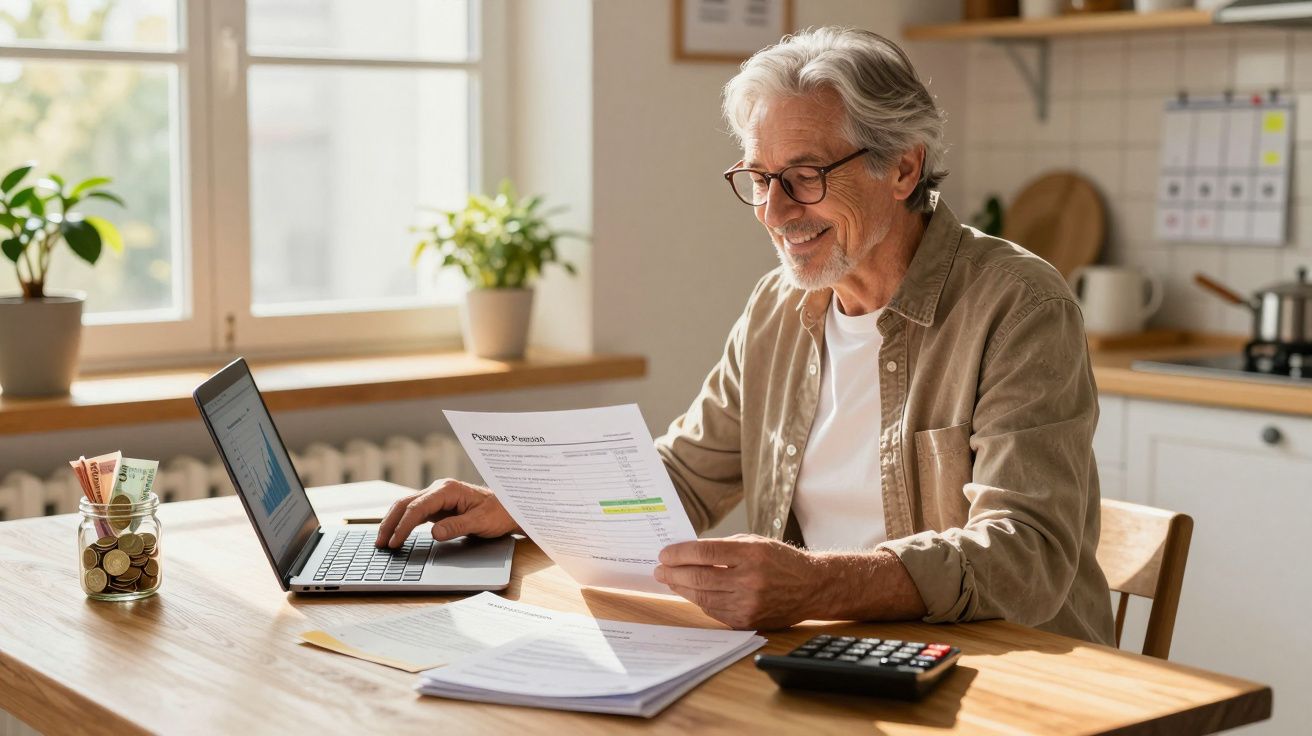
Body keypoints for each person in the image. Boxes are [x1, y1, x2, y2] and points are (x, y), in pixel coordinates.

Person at [376, 27, 1115, 645]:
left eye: (803, 175)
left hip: (1000, 669)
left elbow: (1029, 554)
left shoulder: (1018, 304)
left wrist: (818, 582)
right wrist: (520, 504)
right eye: (759, 178)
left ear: (903, 166)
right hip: (829, 656)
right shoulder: (778, 308)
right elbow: (688, 478)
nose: (774, 211)